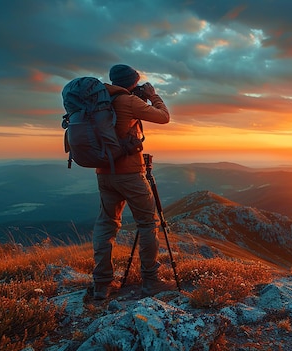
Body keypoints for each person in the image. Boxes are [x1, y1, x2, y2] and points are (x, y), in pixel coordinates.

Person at [91, 64, 175, 300]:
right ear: (131, 82)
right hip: (129, 173)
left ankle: (102, 285)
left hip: (104, 172)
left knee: (106, 225)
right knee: (148, 223)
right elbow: (164, 117)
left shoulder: (101, 100)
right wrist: (152, 96)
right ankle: (151, 281)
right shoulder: (127, 101)